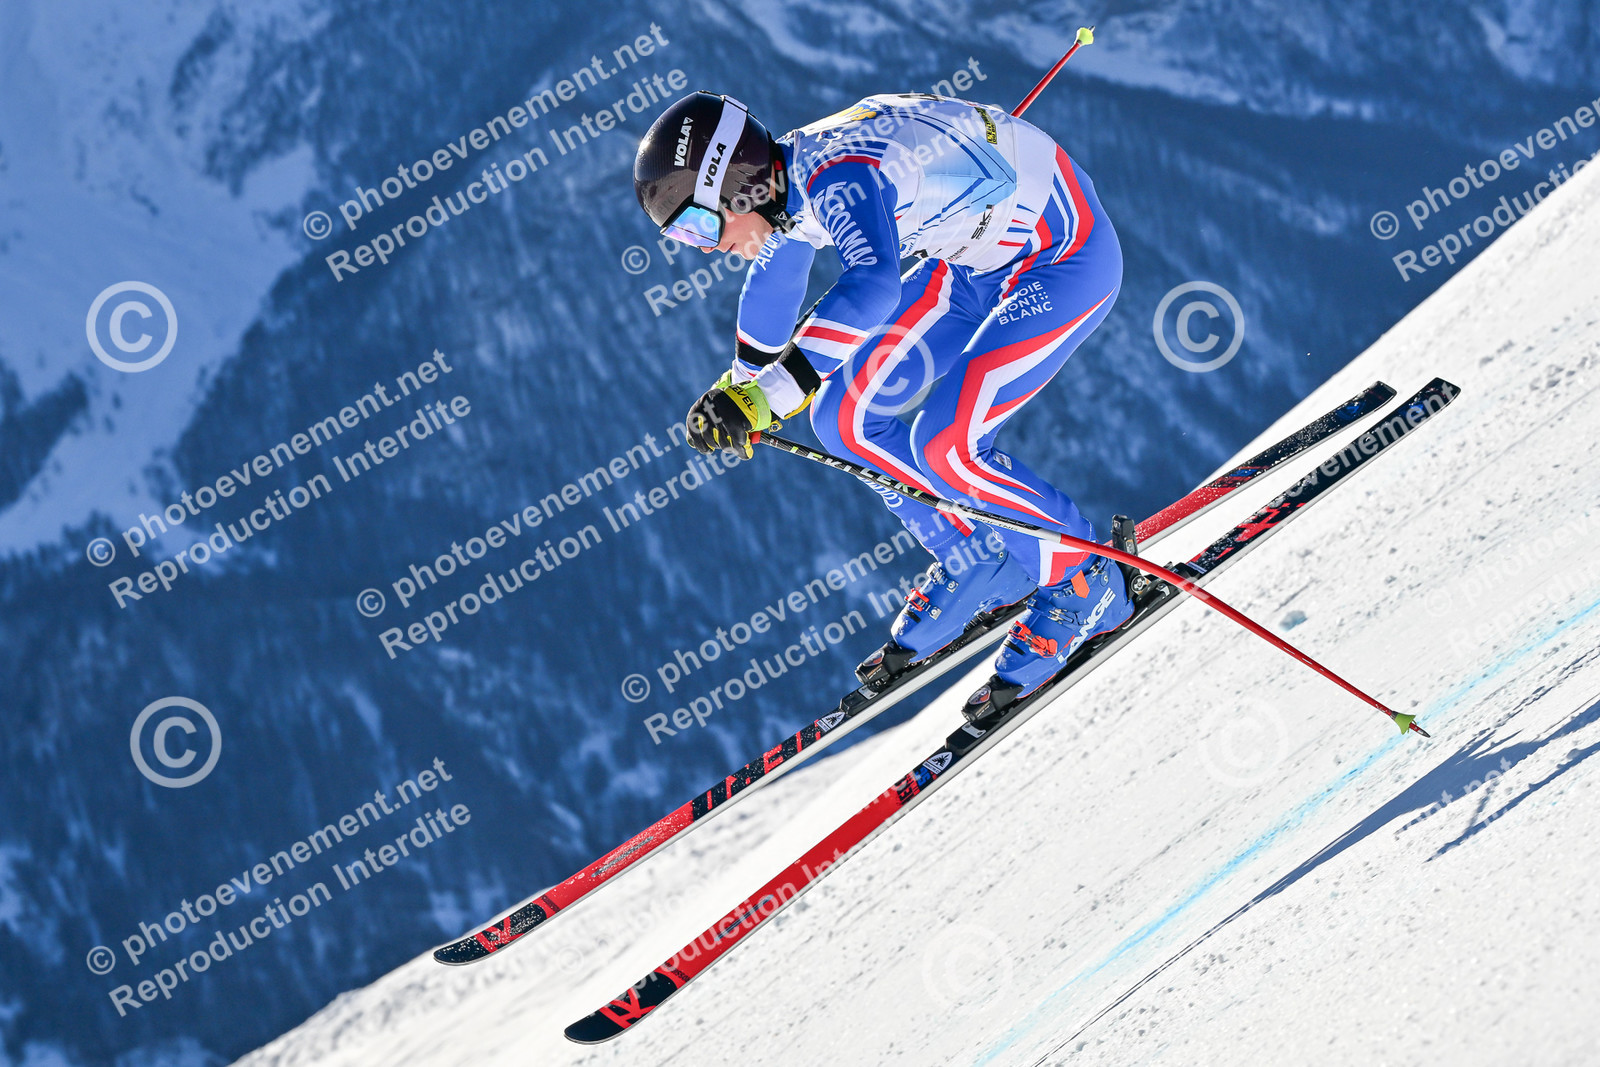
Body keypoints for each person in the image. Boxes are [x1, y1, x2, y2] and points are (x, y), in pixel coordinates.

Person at [632, 90, 1133, 694]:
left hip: (1062, 258)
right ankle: (978, 555)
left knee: (947, 446)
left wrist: (767, 397)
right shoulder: (789, 183)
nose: (707, 246)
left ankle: (1085, 582)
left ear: (737, 185)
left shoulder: (839, 177)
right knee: (842, 420)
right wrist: (738, 389)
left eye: (698, 225)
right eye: (686, 239)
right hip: (970, 266)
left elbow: (872, 286)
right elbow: (776, 278)